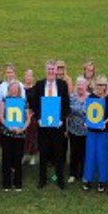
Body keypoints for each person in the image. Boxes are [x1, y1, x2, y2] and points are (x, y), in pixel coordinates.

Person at [28, 60, 70, 189]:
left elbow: (66, 106)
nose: (51, 72)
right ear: (46, 70)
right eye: (49, 69)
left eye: (53, 69)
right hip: (43, 126)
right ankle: (42, 180)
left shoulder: (62, 85)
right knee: (44, 153)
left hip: (57, 126)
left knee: (58, 153)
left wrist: (61, 120)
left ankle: (60, 179)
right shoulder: (40, 85)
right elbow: (33, 102)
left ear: (56, 71)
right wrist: (38, 117)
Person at [0, 80, 31, 191]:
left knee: (18, 158)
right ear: (9, 89)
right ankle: (6, 183)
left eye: (16, 88)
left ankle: (18, 183)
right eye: (11, 88)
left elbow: (28, 118)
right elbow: (1, 117)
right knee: (6, 158)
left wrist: (22, 129)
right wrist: (9, 126)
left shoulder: (23, 101)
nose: (13, 90)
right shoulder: (4, 100)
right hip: (6, 133)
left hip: (19, 134)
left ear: (19, 90)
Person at [83, 75, 108, 192]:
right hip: (91, 131)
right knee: (90, 155)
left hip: (103, 131)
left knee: (102, 155)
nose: (102, 87)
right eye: (100, 84)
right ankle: (88, 179)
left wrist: (104, 123)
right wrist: (87, 123)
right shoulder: (91, 97)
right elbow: (88, 114)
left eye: (104, 85)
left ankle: (102, 181)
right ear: (95, 85)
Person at [66, 78, 89, 183]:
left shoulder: (90, 98)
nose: (80, 87)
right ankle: (73, 174)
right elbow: (67, 114)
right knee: (74, 152)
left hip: (86, 131)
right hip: (73, 129)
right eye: (78, 84)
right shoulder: (71, 98)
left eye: (82, 85)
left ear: (86, 86)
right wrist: (66, 129)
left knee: (84, 153)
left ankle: (83, 173)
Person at [22, 68, 39, 166]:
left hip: (32, 115)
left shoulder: (36, 89)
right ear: (24, 77)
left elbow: (38, 103)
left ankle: (33, 155)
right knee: (23, 136)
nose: (28, 77)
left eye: (30, 75)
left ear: (33, 78)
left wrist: (33, 112)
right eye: (27, 75)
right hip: (22, 115)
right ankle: (24, 155)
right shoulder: (21, 88)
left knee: (33, 136)